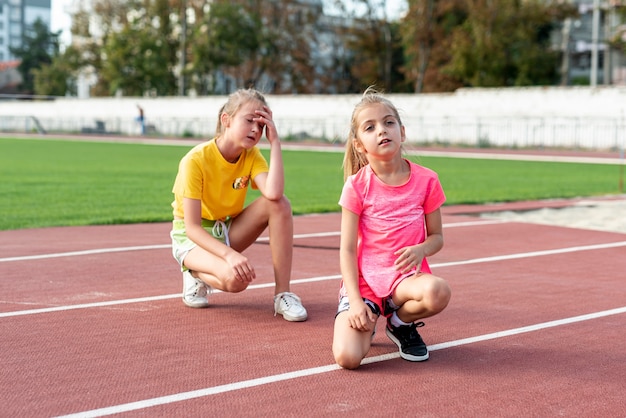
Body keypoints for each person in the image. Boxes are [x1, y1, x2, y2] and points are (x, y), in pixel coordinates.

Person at [332, 88, 451, 369]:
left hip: (405, 281)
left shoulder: (428, 181)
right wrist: (356, 302)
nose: (382, 131)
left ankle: (399, 323)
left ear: (402, 132)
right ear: (360, 145)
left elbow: (437, 238)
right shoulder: (356, 186)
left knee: (438, 292)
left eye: (388, 123)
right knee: (348, 358)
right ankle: (370, 316)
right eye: (370, 127)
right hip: (365, 285)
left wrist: (421, 248)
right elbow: (347, 250)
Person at [170, 88, 307, 322]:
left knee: (280, 204)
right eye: (249, 121)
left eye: (262, 125)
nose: (256, 129)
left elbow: (273, 193)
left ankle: (283, 294)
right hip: (192, 238)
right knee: (236, 280)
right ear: (227, 120)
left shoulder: (252, 156)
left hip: (225, 230)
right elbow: (192, 228)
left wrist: (275, 143)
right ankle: (193, 272)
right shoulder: (195, 160)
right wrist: (230, 256)